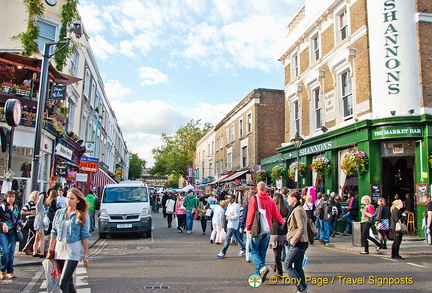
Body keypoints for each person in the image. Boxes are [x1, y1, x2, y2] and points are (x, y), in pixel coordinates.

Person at [47, 188, 90, 292]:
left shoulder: (82, 215)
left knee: (63, 283)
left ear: (78, 200)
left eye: (72, 198)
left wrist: (85, 255)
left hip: (73, 249)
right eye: (67, 198)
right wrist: (50, 249)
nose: (69, 200)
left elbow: (85, 236)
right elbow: (54, 232)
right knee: (68, 282)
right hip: (59, 249)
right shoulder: (59, 213)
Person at [246, 182, 284, 283]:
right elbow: (276, 215)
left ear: (257, 188)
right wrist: (283, 222)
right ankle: (259, 274)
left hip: (256, 229)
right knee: (262, 252)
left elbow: (250, 215)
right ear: (266, 189)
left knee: (253, 251)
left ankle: (262, 268)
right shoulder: (271, 200)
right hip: (267, 229)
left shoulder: (254, 199)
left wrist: (248, 227)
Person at [283, 190, 309, 293]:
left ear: (294, 199)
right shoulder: (297, 208)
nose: (288, 200)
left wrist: (293, 241)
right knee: (298, 267)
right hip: (301, 242)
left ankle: (302, 288)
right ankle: (301, 290)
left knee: (287, 266)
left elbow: (301, 228)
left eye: (289, 198)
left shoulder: (298, 210)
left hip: (298, 243)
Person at [0, 190, 24, 279]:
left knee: (11, 253)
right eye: (10, 197)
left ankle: (10, 271)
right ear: (6, 197)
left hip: (13, 232)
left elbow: (17, 219)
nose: (11, 199)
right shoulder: (2, 207)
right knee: (4, 252)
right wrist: (3, 224)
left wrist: (21, 224)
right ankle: (2, 271)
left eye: (13, 197)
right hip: (2, 232)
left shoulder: (16, 207)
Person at [269, 193, 288, 277]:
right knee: (279, 251)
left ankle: (280, 271)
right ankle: (276, 265)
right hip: (283, 232)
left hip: (275, 231)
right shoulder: (285, 209)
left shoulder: (273, 209)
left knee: (276, 252)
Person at [21, 191, 39, 255]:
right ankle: (27, 246)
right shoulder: (29, 203)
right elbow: (22, 211)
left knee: (31, 234)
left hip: (35, 220)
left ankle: (29, 248)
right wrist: (32, 213)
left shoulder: (36, 204)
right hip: (30, 220)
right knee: (36, 234)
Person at [33, 191, 46, 257]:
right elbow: (41, 198)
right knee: (42, 238)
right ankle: (41, 252)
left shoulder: (40, 206)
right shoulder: (39, 205)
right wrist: (42, 195)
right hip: (39, 223)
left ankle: (35, 252)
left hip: (37, 222)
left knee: (37, 238)